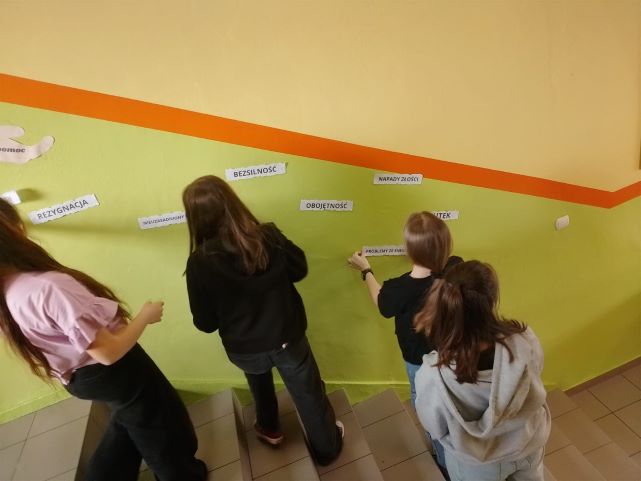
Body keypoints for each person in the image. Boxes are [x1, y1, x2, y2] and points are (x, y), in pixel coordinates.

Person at [0, 205, 207, 481]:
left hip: (80, 377)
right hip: (111, 370)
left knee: (132, 419)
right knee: (158, 423)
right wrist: (144, 317)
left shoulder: (8, 292)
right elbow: (108, 353)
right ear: (14, 231)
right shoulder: (47, 287)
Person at [182, 175, 343, 465]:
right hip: (287, 338)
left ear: (194, 217)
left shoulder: (198, 263)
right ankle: (327, 448)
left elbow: (205, 323)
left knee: (259, 382)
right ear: (232, 202)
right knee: (308, 393)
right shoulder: (267, 236)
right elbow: (300, 269)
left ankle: (270, 429)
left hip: (243, 348)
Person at [413, 261, 550, 481]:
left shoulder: (432, 375)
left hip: (476, 465)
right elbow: (536, 372)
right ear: (491, 301)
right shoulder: (523, 340)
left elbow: (434, 427)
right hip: (528, 444)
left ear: (447, 305)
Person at [347, 211, 461, 470]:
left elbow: (382, 301)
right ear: (446, 246)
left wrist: (366, 270)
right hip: (451, 357)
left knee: (429, 412)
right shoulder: (454, 271)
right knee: (451, 406)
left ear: (409, 252)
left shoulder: (397, 289)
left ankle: (445, 466)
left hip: (418, 363)